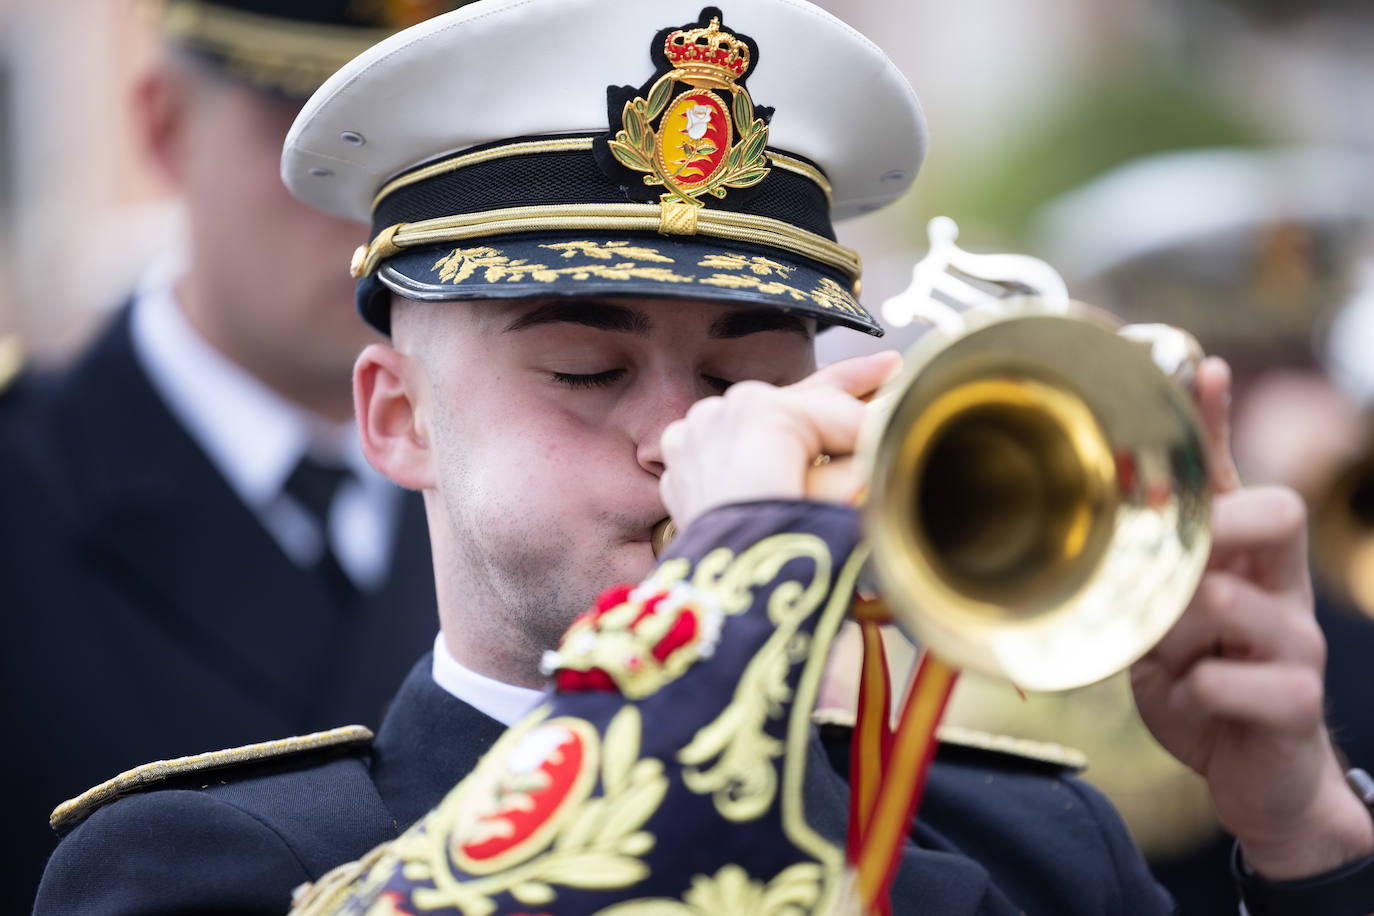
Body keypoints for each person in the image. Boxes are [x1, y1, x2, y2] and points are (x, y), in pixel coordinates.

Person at [34, 1, 1374, 913]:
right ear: (395, 418)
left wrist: (1302, 836)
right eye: (587, 370)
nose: (686, 432)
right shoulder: (195, 862)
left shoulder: (1031, 845)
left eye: (744, 371)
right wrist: (727, 599)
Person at [1, 1, 466, 909]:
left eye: (423, 145)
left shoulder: (565, 487)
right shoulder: (24, 487)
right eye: (307, 133)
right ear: (164, 124)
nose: (373, 203)